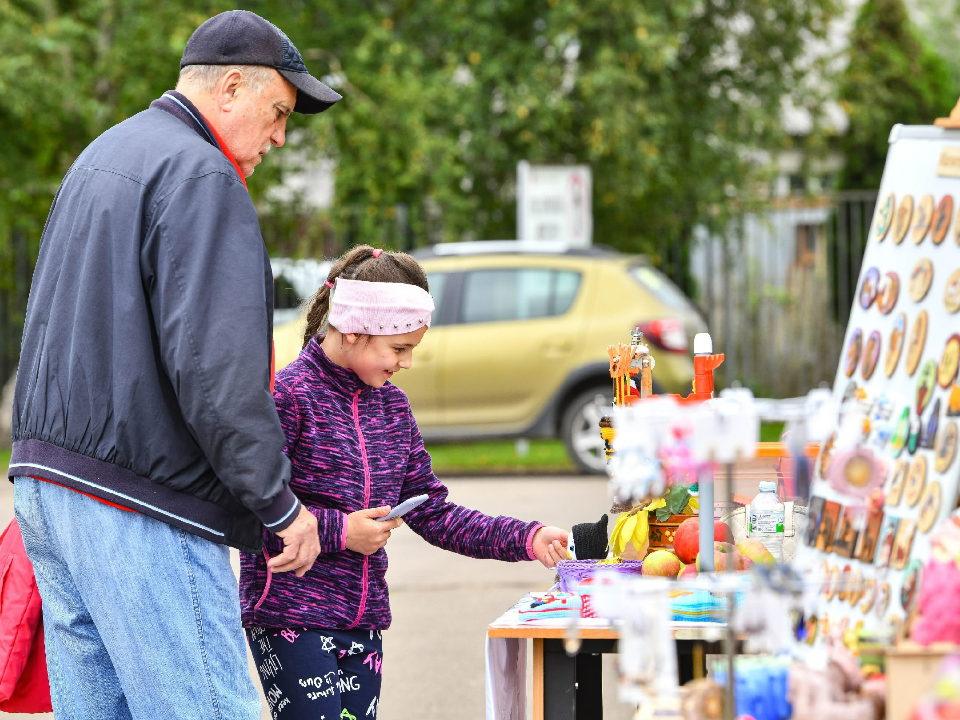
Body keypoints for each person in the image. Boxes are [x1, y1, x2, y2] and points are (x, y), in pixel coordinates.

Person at [9, 10, 342, 718]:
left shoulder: (105, 155)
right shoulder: (201, 174)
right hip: (140, 500)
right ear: (229, 87)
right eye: (278, 112)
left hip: (49, 490)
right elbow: (217, 373)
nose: (280, 137)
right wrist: (279, 504)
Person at [240, 245, 569, 719]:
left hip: (364, 622)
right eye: (399, 348)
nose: (407, 363)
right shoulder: (288, 396)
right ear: (353, 329)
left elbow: (434, 512)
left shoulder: (393, 408)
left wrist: (527, 537)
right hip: (291, 617)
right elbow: (253, 505)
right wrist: (341, 531)